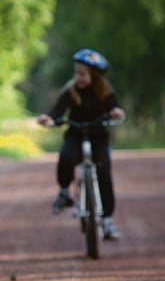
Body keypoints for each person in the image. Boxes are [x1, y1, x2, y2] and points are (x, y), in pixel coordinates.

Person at [37, 48, 126, 239]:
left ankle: (108, 221)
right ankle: (63, 193)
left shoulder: (104, 90)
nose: (78, 77)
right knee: (65, 158)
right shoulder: (70, 90)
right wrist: (49, 119)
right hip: (75, 135)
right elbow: (57, 111)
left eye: (83, 74)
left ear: (94, 75)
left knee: (104, 174)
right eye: (76, 73)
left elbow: (114, 107)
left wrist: (117, 112)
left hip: (98, 137)